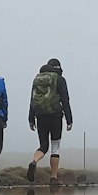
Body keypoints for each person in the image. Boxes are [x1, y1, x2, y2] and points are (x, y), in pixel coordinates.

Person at [27, 58, 73, 186]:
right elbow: (65, 100)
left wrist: (31, 118)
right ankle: (53, 178)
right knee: (55, 147)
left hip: (40, 116)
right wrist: (69, 119)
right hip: (55, 116)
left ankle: (34, 161)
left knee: (43, 145)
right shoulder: (59, 79)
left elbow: (33, 99)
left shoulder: (37, 79)